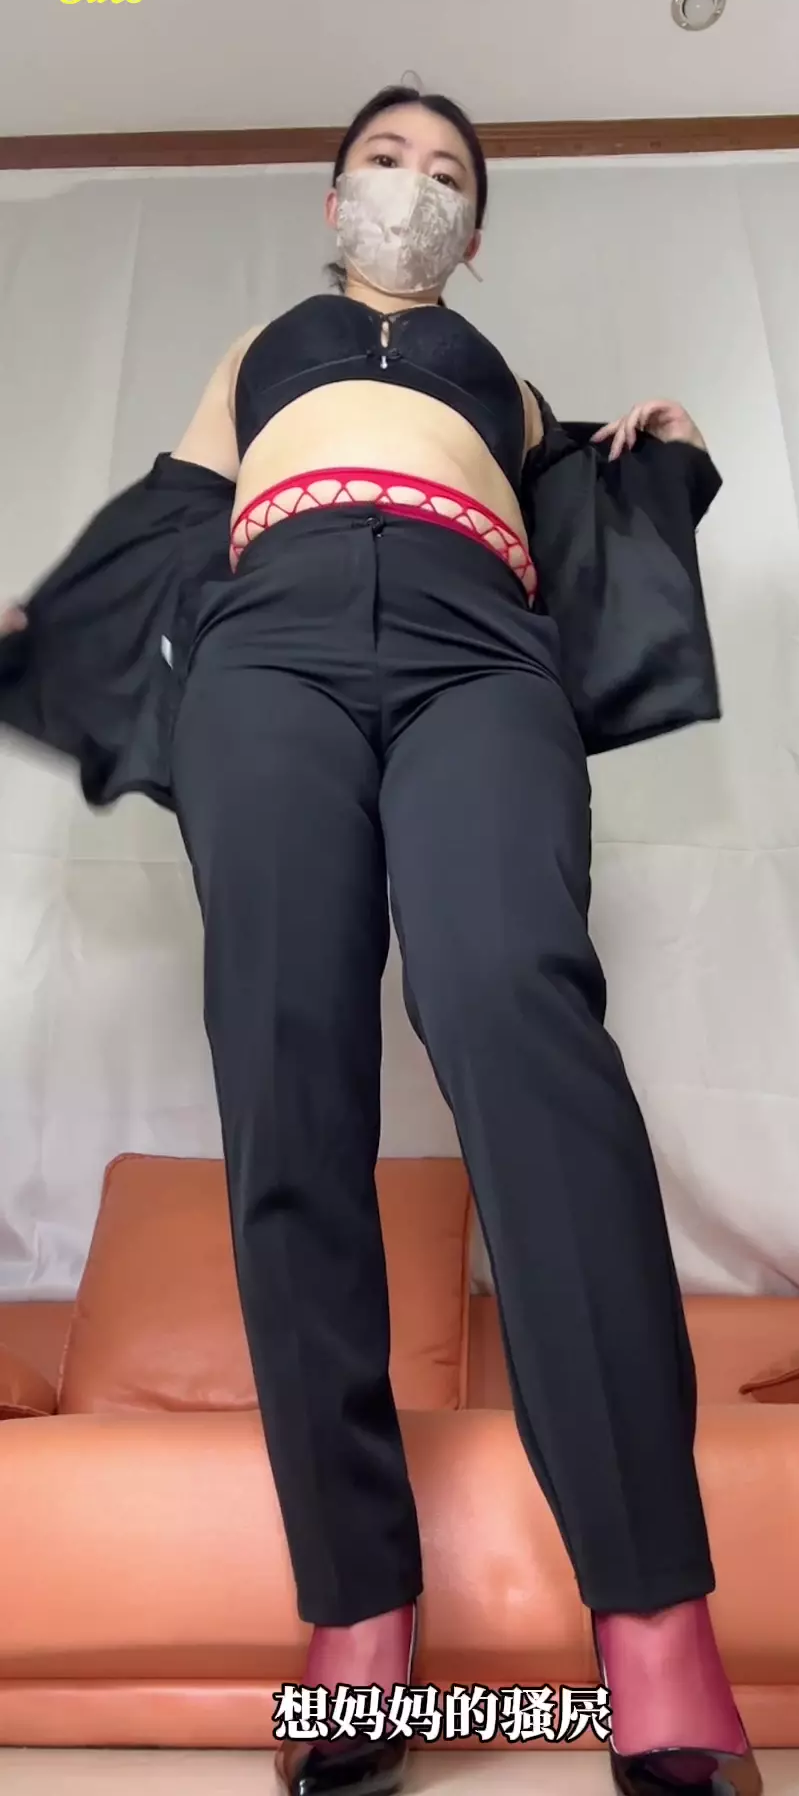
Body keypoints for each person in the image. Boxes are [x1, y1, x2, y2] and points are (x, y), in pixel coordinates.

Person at [0, 86, 760, 1796]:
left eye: (447, 174)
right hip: (268, 651)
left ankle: (654, 1620)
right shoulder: (262, 351)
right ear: (332, 194)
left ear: (475, 235)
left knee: (516, 1013)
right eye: (386, 160)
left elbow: (584, 522)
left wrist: (650, 450)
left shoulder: (509, 384)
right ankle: (359, 1614)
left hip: (474, 645)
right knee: (288, 1072)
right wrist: (40, 622)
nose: (412, 186)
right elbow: (171, 515)